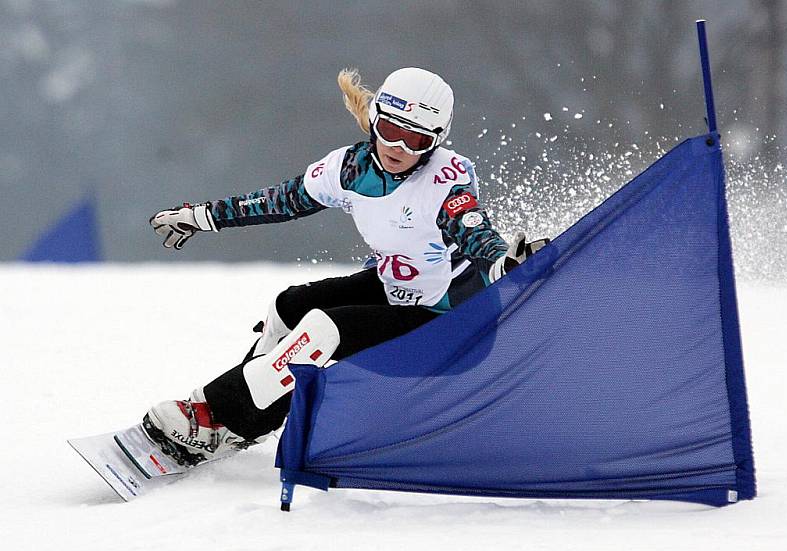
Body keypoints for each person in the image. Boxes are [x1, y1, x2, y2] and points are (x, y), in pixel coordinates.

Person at [146, 67, 545, 466]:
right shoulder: (348, 168)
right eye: (390, 129)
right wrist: (200, 215)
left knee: (322, 330)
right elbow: (281, 201)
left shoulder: (445, 181)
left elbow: (477, 235)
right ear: (374, 119)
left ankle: (211, 414)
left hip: (451, 329)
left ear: (435, 143)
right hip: (397, 295)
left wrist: (506, 264)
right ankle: (241, 426)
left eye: (417, 139)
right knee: (288, 308)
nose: (399, 148)